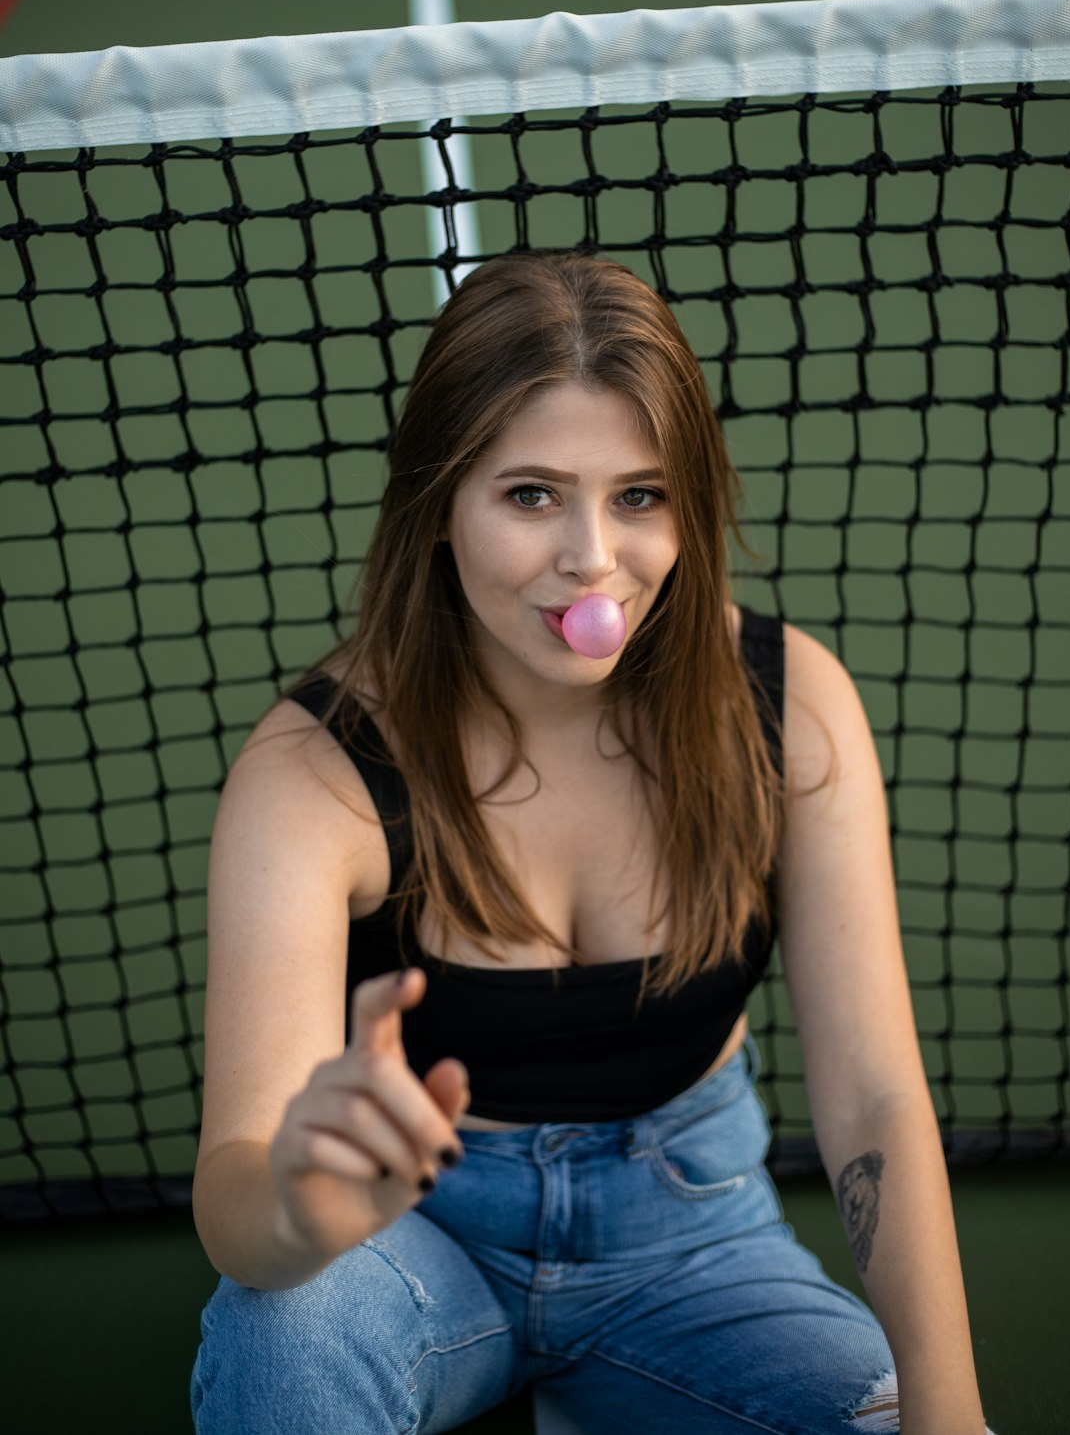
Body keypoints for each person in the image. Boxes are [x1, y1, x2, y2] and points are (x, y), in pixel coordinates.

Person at [189, 252, 993, 1434]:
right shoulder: (313, 776)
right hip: (419, 1243)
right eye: (530, 496)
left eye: (639, 496)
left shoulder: (787, 702)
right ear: (439, 508)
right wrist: (307, 1207)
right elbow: (237, 1190)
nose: (594, 561)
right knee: (282, 1328)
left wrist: (950, 1411)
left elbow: (873, 1101)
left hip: (694, 1244)